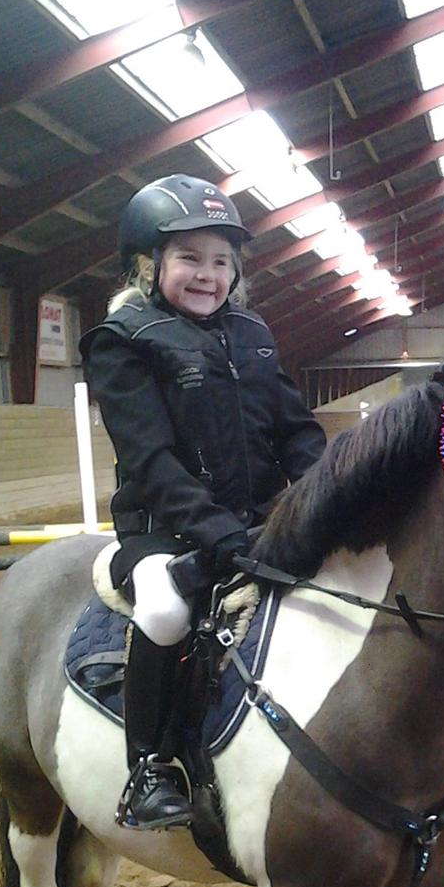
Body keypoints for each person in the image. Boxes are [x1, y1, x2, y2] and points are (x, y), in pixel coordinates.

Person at [80, 175, 326, 829]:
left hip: (255, 521)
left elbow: (296, 431)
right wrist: (218, 532)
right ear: (147, 263)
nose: (208, 275)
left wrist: (331, 491)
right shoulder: (123, 338)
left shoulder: (252, 332)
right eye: (190, 258)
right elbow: (150, 460)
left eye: (221, 261)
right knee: (163, 607)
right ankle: (151, 767)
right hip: (165, 529)